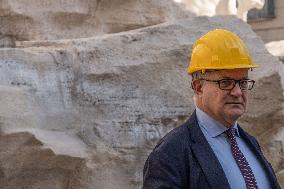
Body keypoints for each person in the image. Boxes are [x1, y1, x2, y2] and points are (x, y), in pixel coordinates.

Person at [142, 29, 281, 189]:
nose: (237, 92)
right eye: (226, 82)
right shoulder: (170, 153)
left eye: (243, 83)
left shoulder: (250, 143)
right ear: (198, 87)